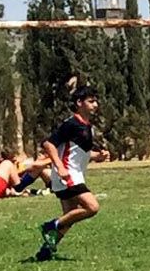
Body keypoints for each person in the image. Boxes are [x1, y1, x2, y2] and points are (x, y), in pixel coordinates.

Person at [35, 86, 103, 261]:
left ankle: (46, 251)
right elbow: (48, 145)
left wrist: (98, 156)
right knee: (92, 207)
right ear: (79, 103)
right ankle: (51, 225)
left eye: (96, 101)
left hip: (73, 173)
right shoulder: (71, 123)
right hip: (68, 174)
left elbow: (79, 153)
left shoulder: (87, 127)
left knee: (70, 216)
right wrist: (60, 167)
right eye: (91, 101)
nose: (95, 104)